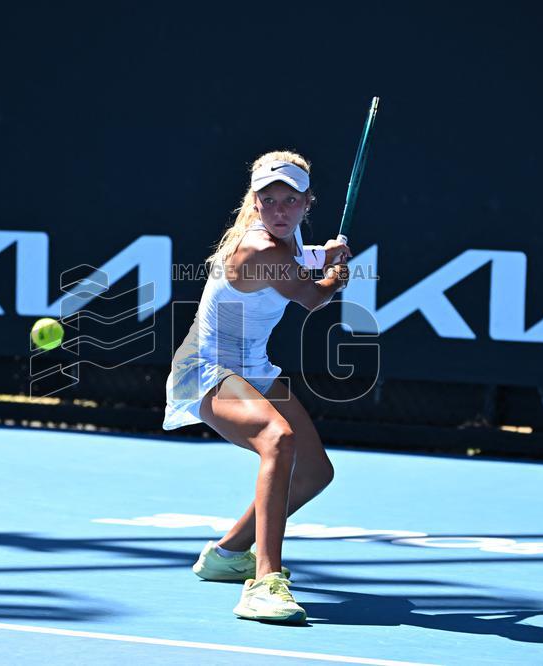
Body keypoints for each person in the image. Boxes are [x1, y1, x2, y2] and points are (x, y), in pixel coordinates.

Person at [162, 150, 351, 623]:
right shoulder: (261, 247)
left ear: (308, 203)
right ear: (255, 202)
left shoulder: (286, 239)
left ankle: (227, 555)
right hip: (207, 368)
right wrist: (335, 277)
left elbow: (296, 258)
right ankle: (264, 583)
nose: (280, 210)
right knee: (277, 439)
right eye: (269, 200)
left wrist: (322, 254)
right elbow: (310, 298)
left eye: (291, 200)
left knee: (314, 473)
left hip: (253, 367)